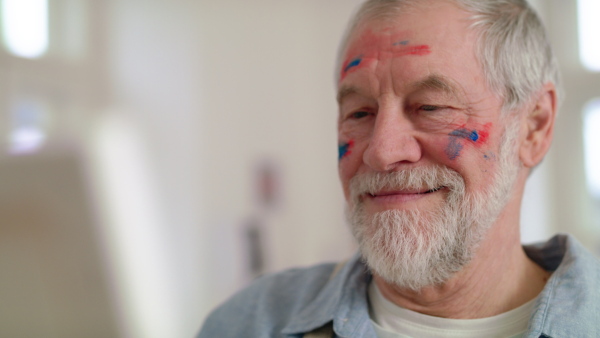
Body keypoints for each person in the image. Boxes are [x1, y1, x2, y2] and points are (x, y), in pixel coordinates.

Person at [199, 0, 600, 337]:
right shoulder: (247, 324)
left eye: (431, 107)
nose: (382, 151)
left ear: (534, 126)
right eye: (360, 112)